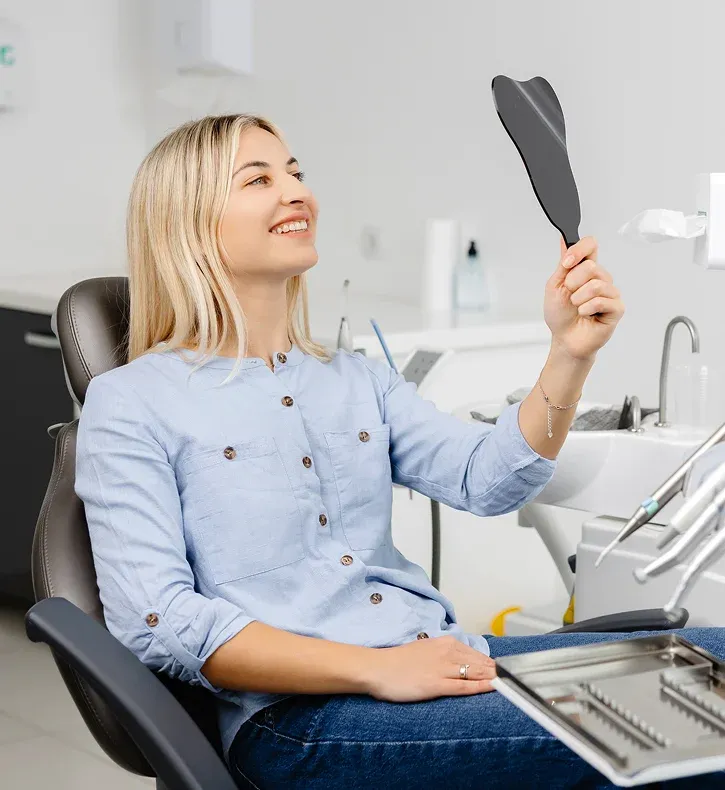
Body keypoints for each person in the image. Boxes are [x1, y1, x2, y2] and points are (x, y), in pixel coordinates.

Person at [74, 114, 724, 789]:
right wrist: (375, 668)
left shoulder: (355, 378)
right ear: (189, 221)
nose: (294, 191)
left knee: (714, 669)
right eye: (257, 179)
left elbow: (487, 479)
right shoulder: (132, 403)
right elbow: (160, 620)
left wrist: (568, 353)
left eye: (294, 172)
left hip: (437, 663)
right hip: (300, 721)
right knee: (690, 732)